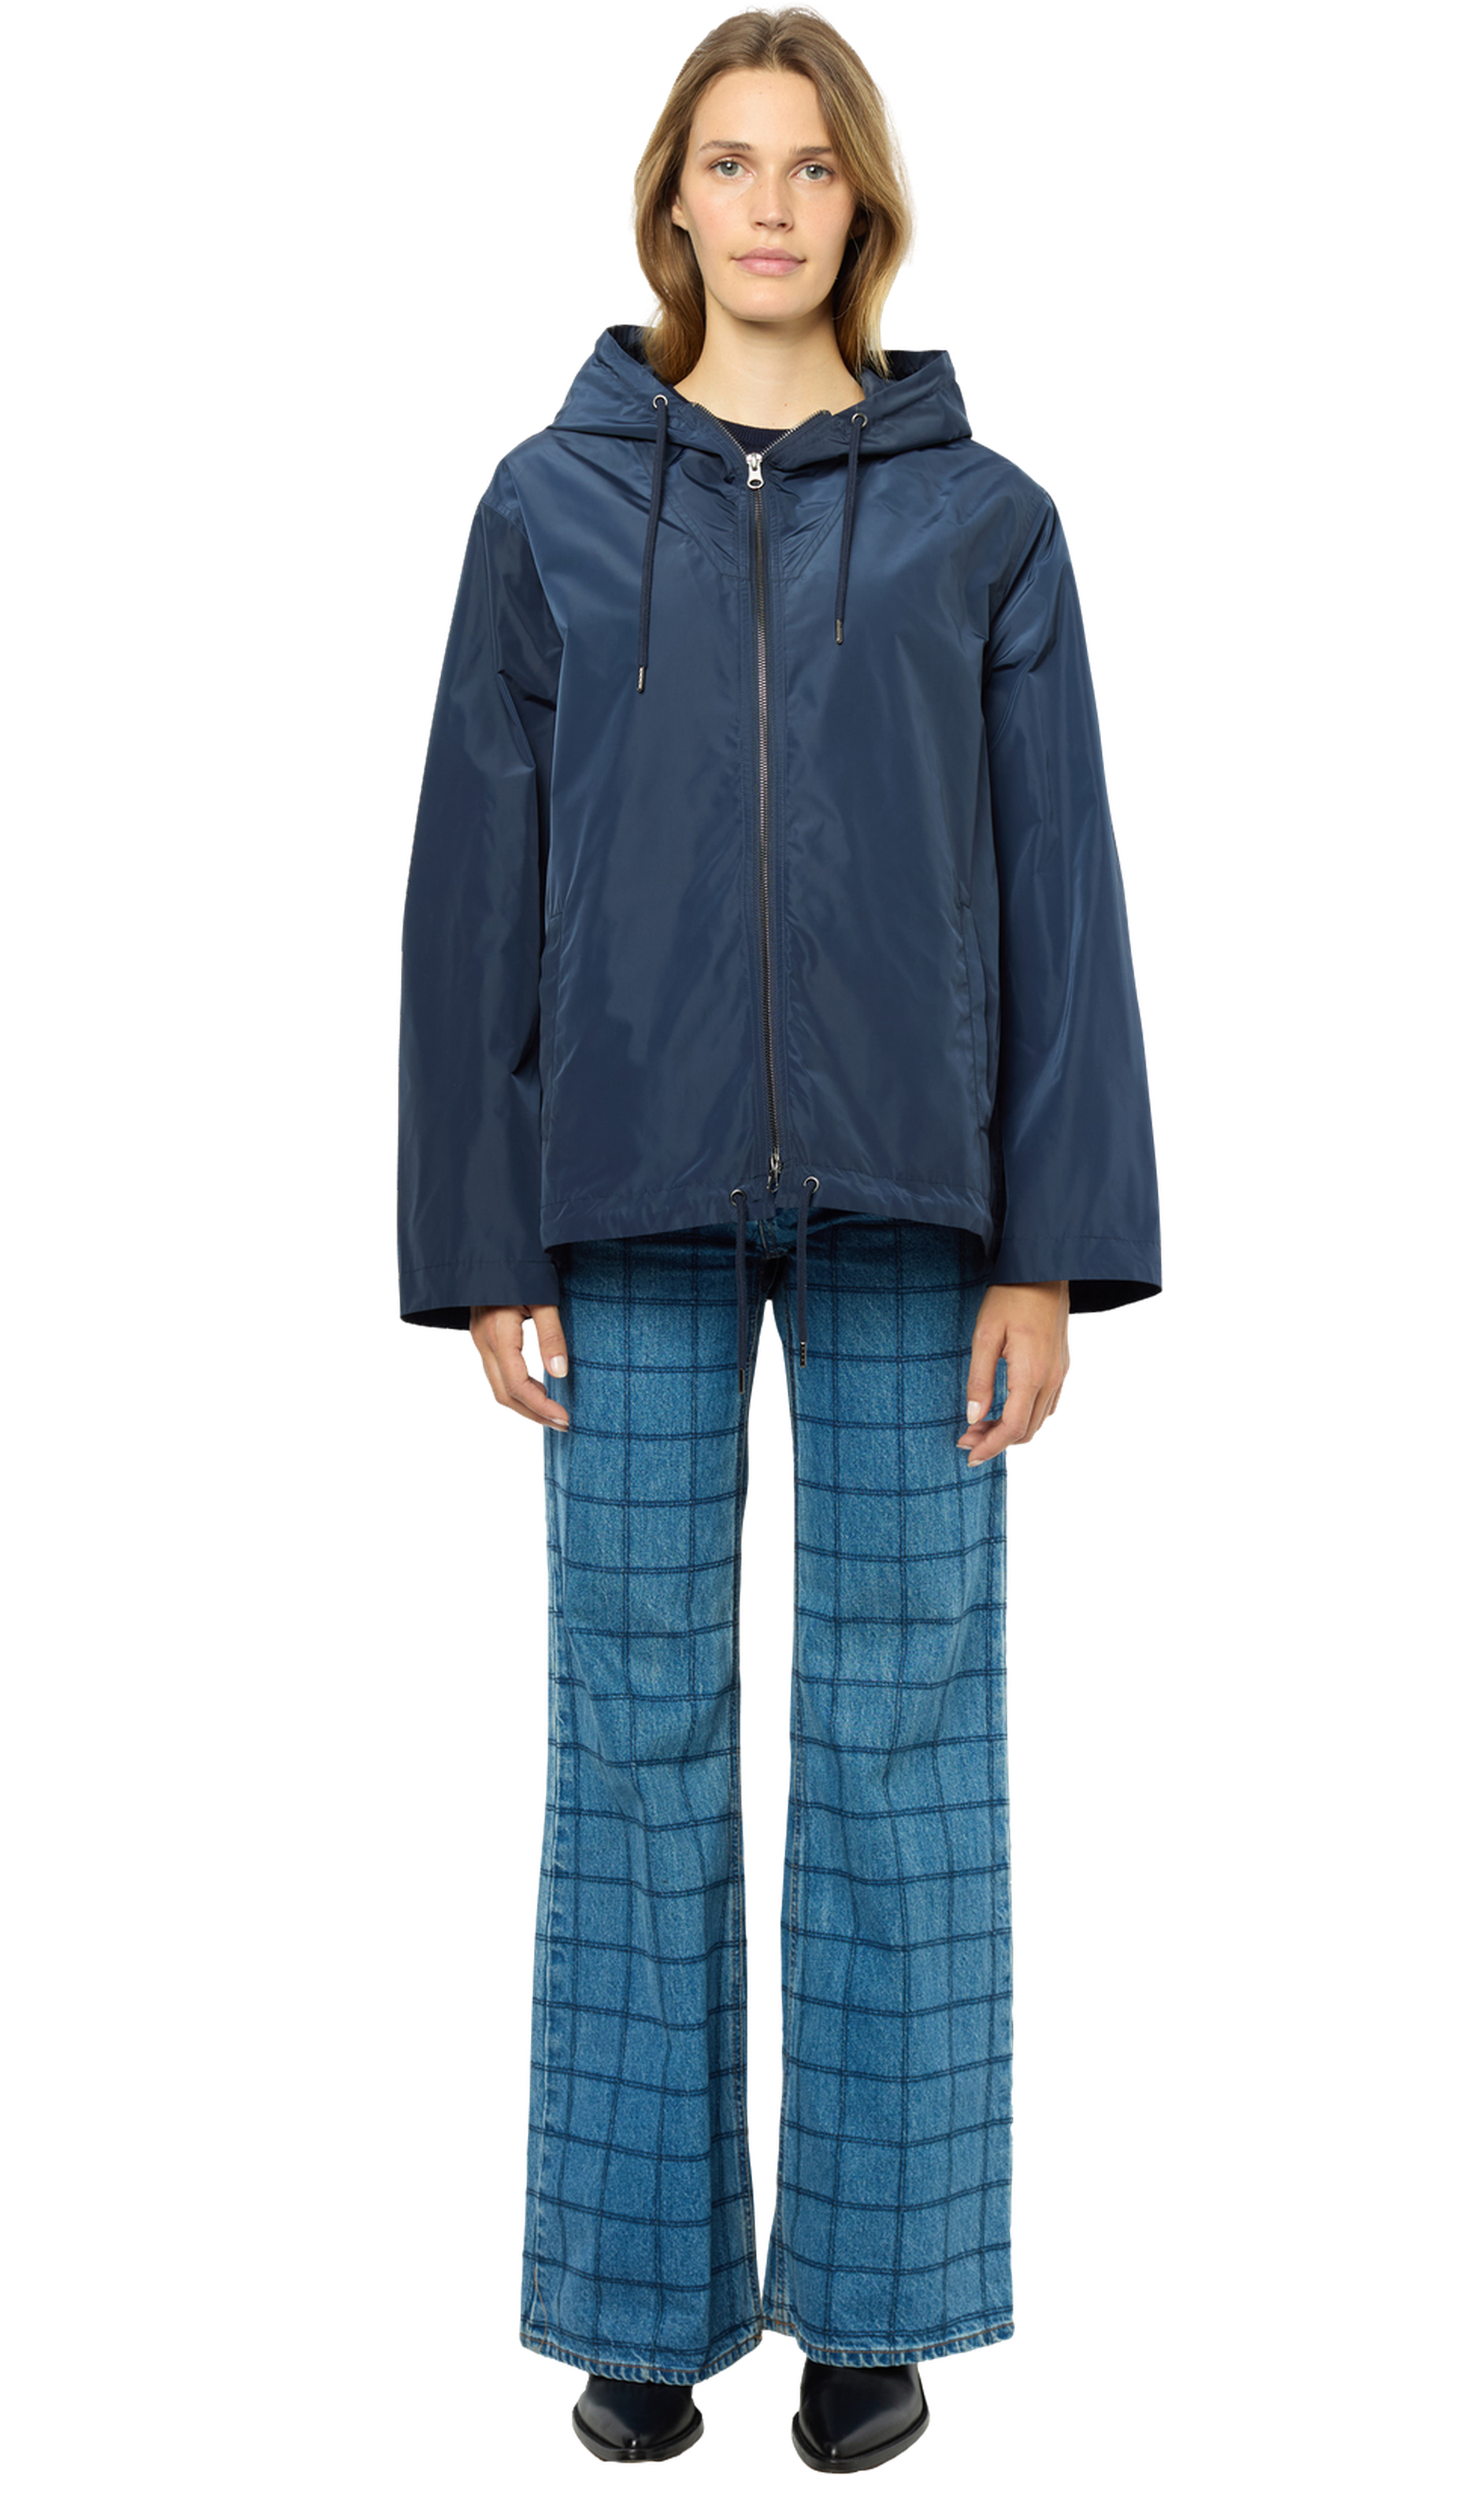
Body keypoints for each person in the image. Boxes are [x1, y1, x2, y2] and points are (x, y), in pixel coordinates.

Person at [395, 5, 1162, 2474]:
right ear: (666, 205)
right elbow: (468, 895)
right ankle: (640, 2306)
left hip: (921, 1203)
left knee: (907, 1734)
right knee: (628, 1734)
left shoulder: (987, 523)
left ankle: (879, 2300)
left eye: (807, 168)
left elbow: (1064, 896)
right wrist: (476, 1230)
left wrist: (1050, 1248)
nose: (764, 205)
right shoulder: (543, 506)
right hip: (613, 1202)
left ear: (867, 212)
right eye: (724, 163)